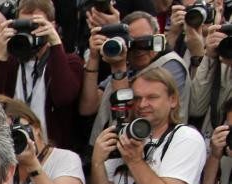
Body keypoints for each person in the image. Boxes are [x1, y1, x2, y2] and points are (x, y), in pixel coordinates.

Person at [89, 68, 206, 184]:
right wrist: (97, 163)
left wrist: (134, 160)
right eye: (137, 98)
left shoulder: (185, 137)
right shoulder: (124, 136)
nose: (143, 104)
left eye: (152, 97)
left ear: (173, 100)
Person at [0, 0, 83, 152]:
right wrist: (1, 54)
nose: (30, 33)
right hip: (11, 148)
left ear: (53, 26)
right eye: (23, 26)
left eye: (36, 26)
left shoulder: (69, 61)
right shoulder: (6, 62)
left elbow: (64, 97)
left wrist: (55, 43)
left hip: (53, 151)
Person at [80, 10, 189, 142]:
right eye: (132, 44)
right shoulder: (128, 66)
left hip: (150, 151)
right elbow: (88, 107)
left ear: (157, 38)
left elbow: (129, 117)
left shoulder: (170, 65)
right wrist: (93, 57)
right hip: (108, 149)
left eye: (144, 42)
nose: (138, 50)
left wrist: (118, 68)